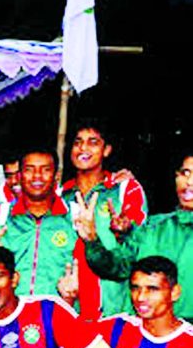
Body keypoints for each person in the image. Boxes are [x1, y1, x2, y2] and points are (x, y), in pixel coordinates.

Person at [74, 151, 193, 321]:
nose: (189, 182)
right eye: (185, 173)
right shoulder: (153, 228)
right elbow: (117, 267)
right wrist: (92, 239)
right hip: (143, 337)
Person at [61, 122, 148, 318]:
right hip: (68, 306)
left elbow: (138, 246)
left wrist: (126, 229)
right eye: (78, 142)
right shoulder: (60, 196)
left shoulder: (125, 190)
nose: (83, 148)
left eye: (93, 142)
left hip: (113, 308)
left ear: (106, 150)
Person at [0, 149, 78, 299]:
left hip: (58, 314)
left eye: (45, 170)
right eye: (29, 170)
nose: (37, 176)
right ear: (19, 175)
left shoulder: (76, 216)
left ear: (56, 176)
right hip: (10, 316)